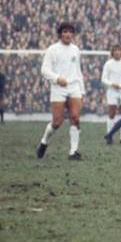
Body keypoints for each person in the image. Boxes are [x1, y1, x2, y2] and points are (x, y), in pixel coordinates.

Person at [37, 22, 85, 160]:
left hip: (74, 87)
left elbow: (78, 71)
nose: (68, 34)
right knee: (57, 122)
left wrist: (82, 91)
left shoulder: (76, 49)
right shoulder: (53, 49)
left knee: (75, 118)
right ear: (60, 34)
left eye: (70, 32)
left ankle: (73, 152)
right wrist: (57, 79)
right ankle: (44, 142)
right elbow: (44, 70)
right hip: (58, 88)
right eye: (65, 31)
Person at [101, 45, 121, 144]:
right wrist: (112, 84)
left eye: (119, 50)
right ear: (112, 52)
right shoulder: (108, 64)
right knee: (112, 113)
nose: (117, 52)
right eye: (115, 50)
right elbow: (103, 79)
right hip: (112, 91)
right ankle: (109, 136)